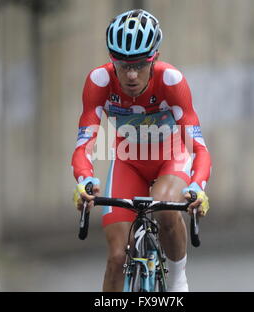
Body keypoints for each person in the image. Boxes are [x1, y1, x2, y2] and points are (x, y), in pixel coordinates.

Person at [71, 9, 212, 292]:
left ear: (154, 58)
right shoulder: (99, 82)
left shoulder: (171, 81)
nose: (131, 75)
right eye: (123, 66)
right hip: (128, 163)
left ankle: (177, 279)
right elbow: (84, 143)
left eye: (139, 65)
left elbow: (198, 147)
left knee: (165, 206)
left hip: (169, 159)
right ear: (113, 61)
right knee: (116, 256)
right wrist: (84, 179)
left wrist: (198, 186)